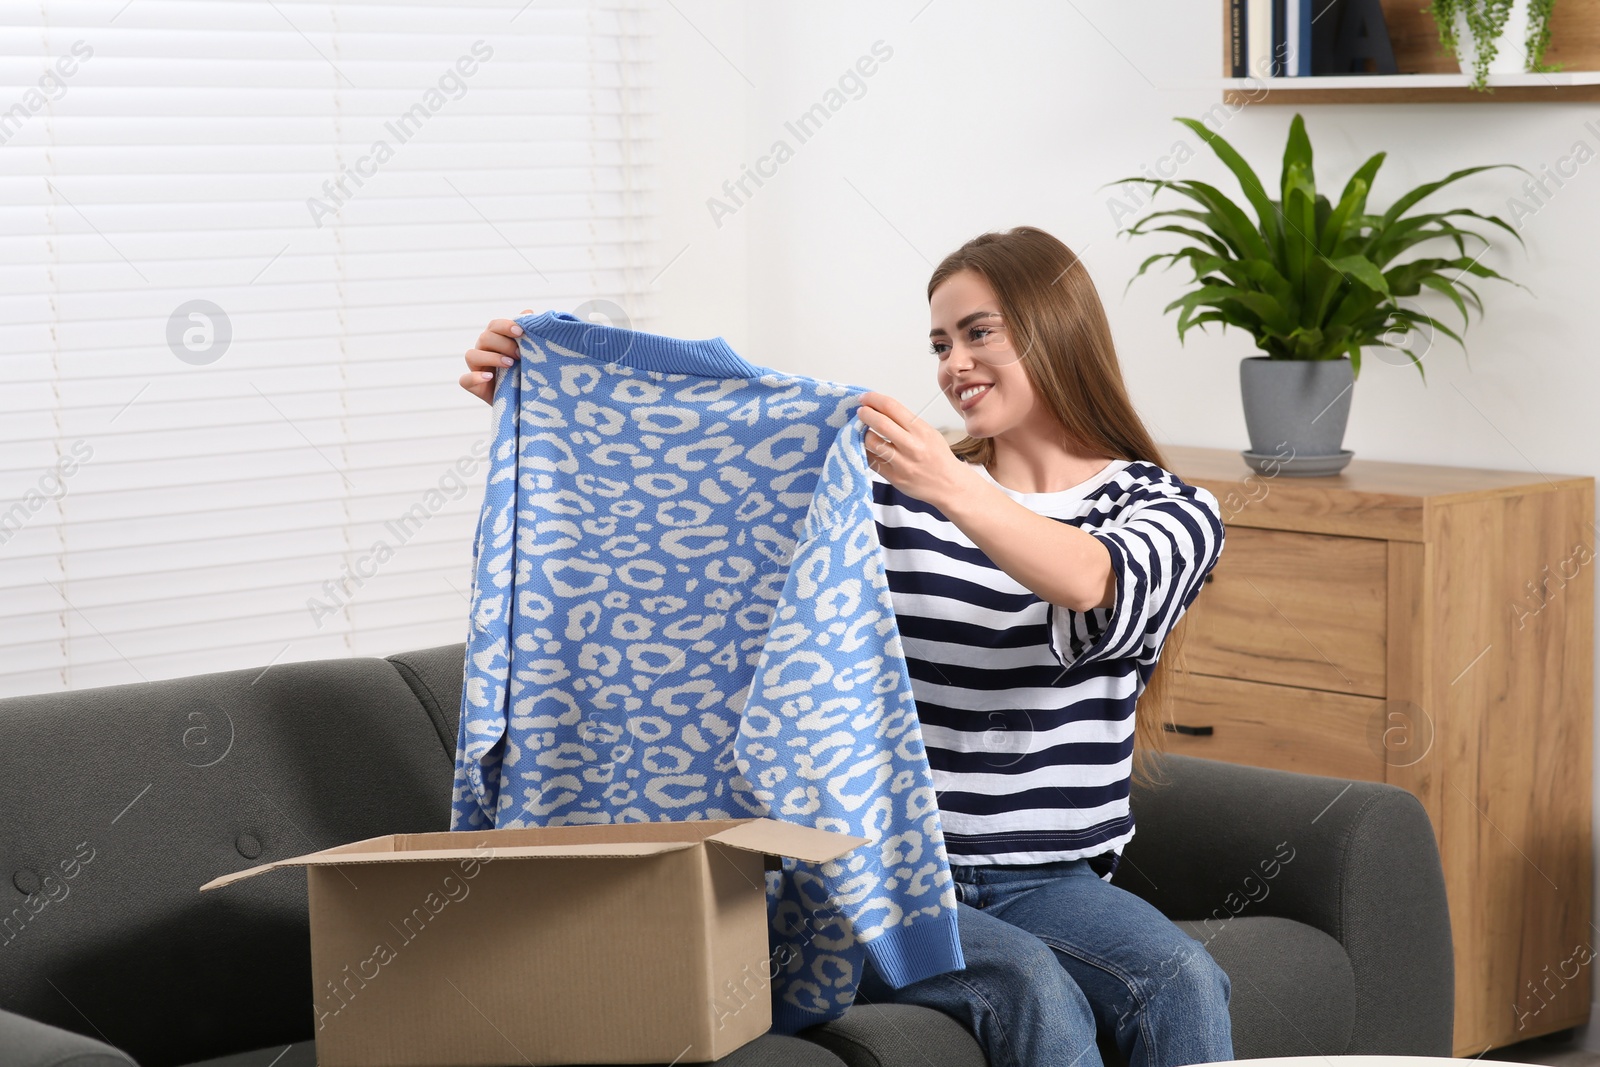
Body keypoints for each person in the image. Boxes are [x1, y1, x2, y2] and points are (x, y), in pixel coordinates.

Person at [456, 224, 1234, 1067]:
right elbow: (717, 481)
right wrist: (564, 393)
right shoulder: (887, 490)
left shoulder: (1172, 509)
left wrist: (951, 484)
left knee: (1185, 979)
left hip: (1048, 879)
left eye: (979, 333)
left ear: (1059, 330)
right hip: (879, 874)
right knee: (1030, 988)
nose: (953, 364)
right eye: (940, 342)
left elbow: (1091, 581)